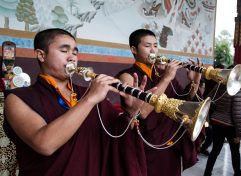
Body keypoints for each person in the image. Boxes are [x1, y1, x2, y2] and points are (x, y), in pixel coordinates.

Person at [3, 28, 149, 176]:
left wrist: (130, 113)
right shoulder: (18, 98)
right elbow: (44, 144)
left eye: (74, 52)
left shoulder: (87, 93)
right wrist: (90, 99)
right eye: (64, 51)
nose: (72, 57)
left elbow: (115, 135)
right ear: (41, 55)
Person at [117, 28, 203, 176]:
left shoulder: (162, 74)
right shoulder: (127, 76)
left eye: (155, 46)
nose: (153, 50)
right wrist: (166, 78)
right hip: (146, 144)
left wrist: (195, 82)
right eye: (147, 46)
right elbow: (142, 112)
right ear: (134, 49)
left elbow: (183, 102)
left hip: (170, 142)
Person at [203, 65, 241, 176]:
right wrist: (239, 133)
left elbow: (208, 100)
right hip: (231, 126)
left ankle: (207, 173)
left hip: (217, 123)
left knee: (215, 150)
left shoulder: (219, 86)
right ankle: (238, 173)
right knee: (235, 152)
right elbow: (237, 114)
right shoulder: (236, 90)